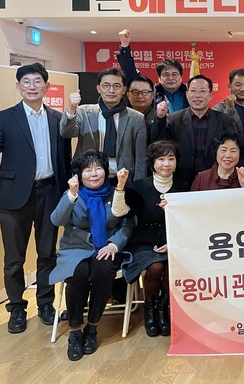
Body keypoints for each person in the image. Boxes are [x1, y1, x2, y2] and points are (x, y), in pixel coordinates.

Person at [0, 63, 72, 334]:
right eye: (26, 82)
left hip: (50, 193)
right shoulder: (4, 119)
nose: (32, 87)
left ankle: (45, 303)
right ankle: (17, 307)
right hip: (14, 197)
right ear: (18, 87)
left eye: (37, 81)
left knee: (47, 253)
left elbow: (64, 159)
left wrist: (67, 192)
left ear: (46, 86)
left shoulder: (57, 119)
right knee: (14, 258)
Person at [49, 150, 135, 361]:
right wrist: (71, 195)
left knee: (102, 271)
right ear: (79, 174)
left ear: (106, 171)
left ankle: (92, 328)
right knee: (77, 275)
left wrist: (114, 245)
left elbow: (127, 224)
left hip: (107, 247)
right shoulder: (73, 194)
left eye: (98, 168)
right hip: (75, 248)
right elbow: (57, 220)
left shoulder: (116, 193)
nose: (94, 174)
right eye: (88, 170)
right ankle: (75, 331)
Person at [116, 140, 189, 337]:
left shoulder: (183, 187)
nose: (166, 164)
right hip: (144, 241)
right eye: (161, 159)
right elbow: (120, 212)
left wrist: (172, 243)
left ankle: (163, 309)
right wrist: (120, 187)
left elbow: (187, 221)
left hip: (174, 240)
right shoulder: (139, 186)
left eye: (171, 159)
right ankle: (150, 309)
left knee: (172, 266)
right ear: (152, 163)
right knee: (156, 266)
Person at [61, 67, 148, 181]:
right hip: (90, 177)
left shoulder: (136, 118)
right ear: (98, 88)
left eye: (117, 86)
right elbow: (66, 133)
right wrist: (71, 109)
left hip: (123, 178)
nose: (111, 90)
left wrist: (138, 183)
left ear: (124, 89)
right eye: (106, 85)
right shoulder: (84, 112)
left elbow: (141, 158)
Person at [152, 74, 239, 185]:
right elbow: (158, 144)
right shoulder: (173, 119)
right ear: (187, 94)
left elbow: (235, 149)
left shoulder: (225, 121)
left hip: (214, 180)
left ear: (211, 95)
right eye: (193, 91)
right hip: (181, 180)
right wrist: (160, 118)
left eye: (202, 91)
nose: (197, 96)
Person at [117, 29, 188, 113]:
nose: (171, 78)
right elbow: (130, 73)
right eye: (166, 74)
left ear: (181, 77)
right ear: (159, 78)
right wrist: (125, 46)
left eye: (174, 74)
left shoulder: (190, 92)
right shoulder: (151, 92)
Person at [213, 68, 244, 171]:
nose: (243, 89)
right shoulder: (218, 109)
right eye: (238, 85)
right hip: (232, 167)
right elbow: (219, 133)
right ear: (229, 86)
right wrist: (229, 108)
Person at [125, 74, 156, 144]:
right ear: (128, 95)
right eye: (135, 92)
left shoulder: (160, 119)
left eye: (145, 92)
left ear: (152, 95)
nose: (140, 96)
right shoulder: (119, 117)